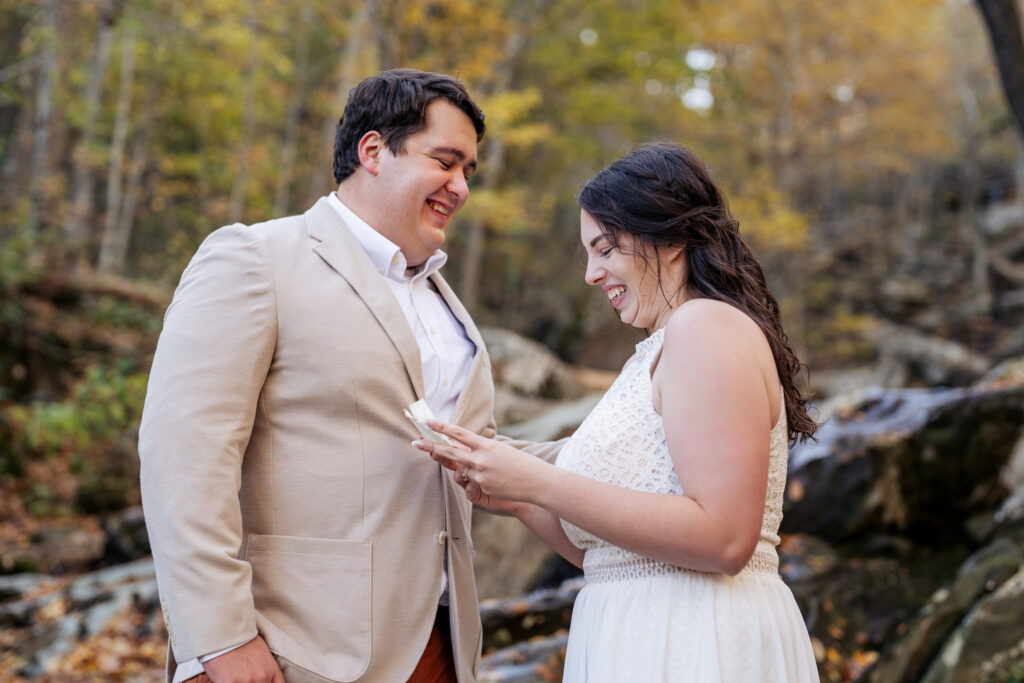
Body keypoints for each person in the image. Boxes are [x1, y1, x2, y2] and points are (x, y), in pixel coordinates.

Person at [139, 68, 559, 683]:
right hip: (298, 647)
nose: (461, 186)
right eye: (445, 160)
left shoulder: (446, 304)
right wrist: (220, 639)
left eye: (469, 169)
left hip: (444, 642)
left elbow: (477, 453)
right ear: (373, 151)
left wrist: (627, 449)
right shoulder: (255, 258)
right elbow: (183, 457)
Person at [415, 143, 821, 682]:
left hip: (698, 642)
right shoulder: (654, 352)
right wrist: (517, 499)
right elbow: (612, 555)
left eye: (605, 248)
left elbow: (725, 539)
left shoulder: (705, 328)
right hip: (633, 635)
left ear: (671, 237)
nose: (591, 273)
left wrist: (539, 481)